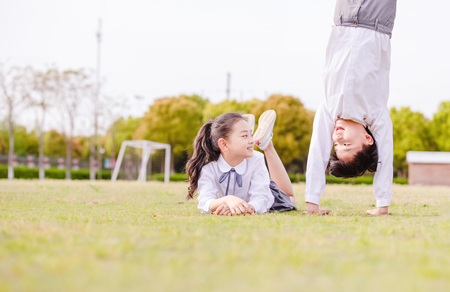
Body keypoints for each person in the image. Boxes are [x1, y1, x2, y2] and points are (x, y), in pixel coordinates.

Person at [305, 0, 397, 215]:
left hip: (344, 20)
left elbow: (317, 152)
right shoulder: (376, 115)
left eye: (338, 146)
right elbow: (386, 156)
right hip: (376, 20)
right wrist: (382, 204)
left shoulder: (328, 109)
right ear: (368, 139)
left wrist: (312, 204)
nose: (336, 139)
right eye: (347, 143)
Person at [186, 110, 297, 215]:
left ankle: (266, 144)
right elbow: (205, 202)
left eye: (251, 135)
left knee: (290, 197)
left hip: (263, 189)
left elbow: (260, 199)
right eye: (245, 136)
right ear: (224, 144)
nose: (251, 141)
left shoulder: (256, 159)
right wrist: (227, 201)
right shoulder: (208, 166)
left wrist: (244, 208)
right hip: (241, 196)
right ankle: (250, 134)